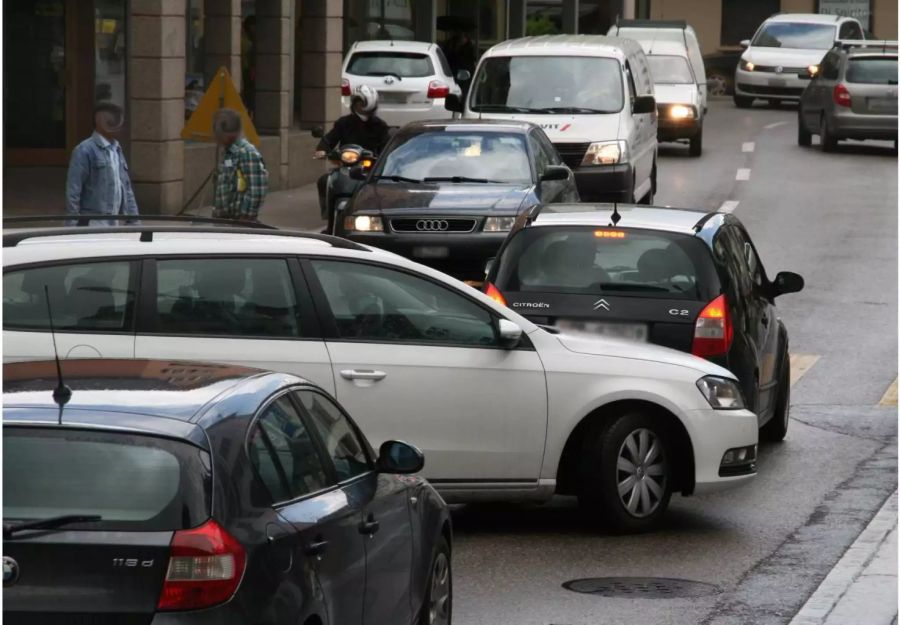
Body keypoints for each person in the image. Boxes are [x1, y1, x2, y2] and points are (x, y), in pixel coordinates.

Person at [315, 85, 390, 215]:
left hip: (369, 167)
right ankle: (328, 214)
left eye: (363, 102)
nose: (360, 106)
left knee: (384, 185)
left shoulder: (380, 126)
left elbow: (386, 145)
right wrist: (322, 149)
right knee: (324, 181)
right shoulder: (344, 123)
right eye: (358, 102)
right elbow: (331, 137)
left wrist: (381, 157)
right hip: (346, 166)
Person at [66, 102, 139, 227]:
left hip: (115, 219)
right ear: (99, 122)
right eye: (112, 121)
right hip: (92, 220)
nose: (119, 125)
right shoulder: (84, 150)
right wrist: (72, 224)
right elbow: (74, 190)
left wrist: (134, 221)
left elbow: (126, 188)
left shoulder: (117, 149)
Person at [212, 108, 268, 222]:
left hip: (240, 219)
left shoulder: (247, 153)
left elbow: (256, 189)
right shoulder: (228, 153)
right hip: (225, 218)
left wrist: (247, 215)